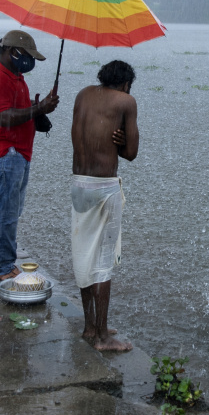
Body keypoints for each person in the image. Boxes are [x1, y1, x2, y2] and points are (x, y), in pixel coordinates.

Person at [69, 59, 139, 352]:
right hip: (103, 187)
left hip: (79, 184)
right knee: (103, 261)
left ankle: (89, 327)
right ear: (125, 84)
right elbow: (132, 153)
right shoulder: (126, 101)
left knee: (84, 254)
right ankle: (102, 338)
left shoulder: (83, 94)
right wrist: (123, 140)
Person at [0, 29, 59, 284]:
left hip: (16, 154)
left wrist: (38, 114)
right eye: (26, 55)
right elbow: (3, 118)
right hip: (4, 153)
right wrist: (37, 108)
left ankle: (5, 263)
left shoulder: (16, 77)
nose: (29, 61)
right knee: (5, 213)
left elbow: (16, 113)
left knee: (12, 212)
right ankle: (2, 268)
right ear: (10, 51)